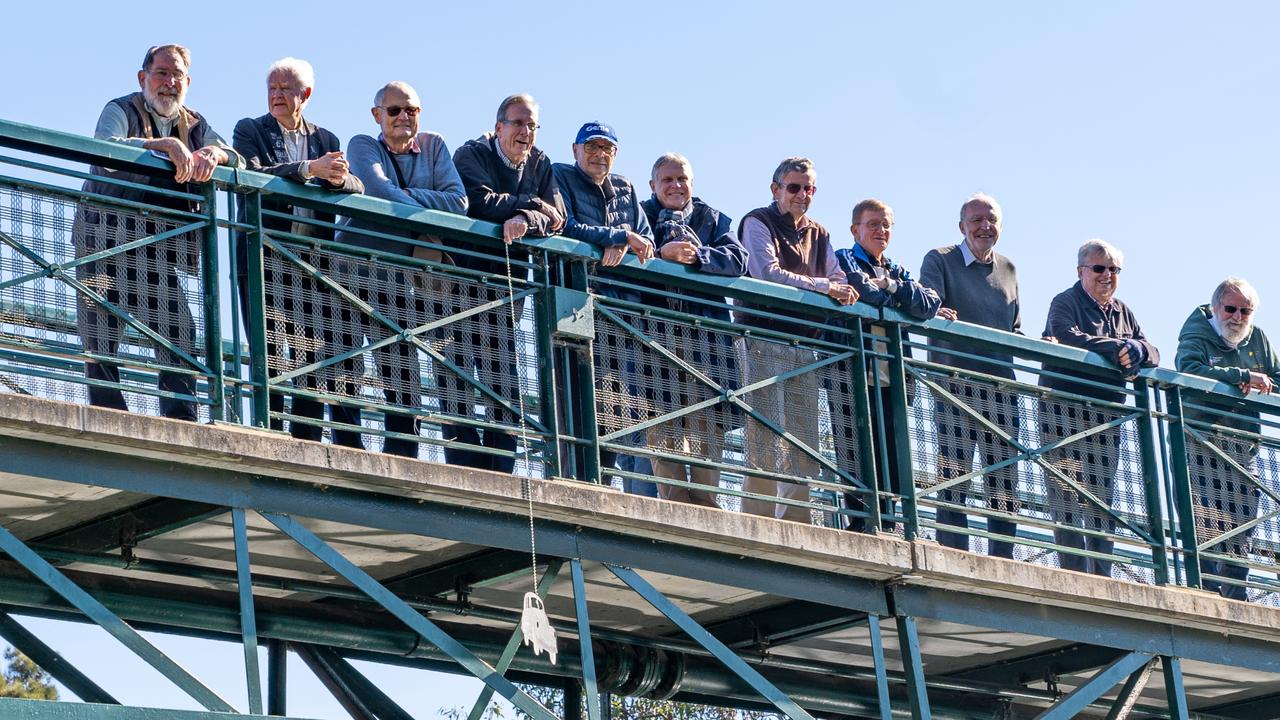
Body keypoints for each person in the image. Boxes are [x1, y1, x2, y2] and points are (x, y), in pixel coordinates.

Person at [76, 44, 243, 421]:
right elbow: (105, 150)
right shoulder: (121, 108)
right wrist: (162, 145)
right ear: (143, 78)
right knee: (100, 335)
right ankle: (109, 418)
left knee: (181, 333)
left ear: (188, 82)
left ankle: (181, 418)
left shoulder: (196, 123)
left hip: (157, 250)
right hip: (103, 240)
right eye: (162, 73)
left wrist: (213, 155)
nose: (169, 83)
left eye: (177, 76)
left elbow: (236, 158)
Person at [232, 57, 364, 447]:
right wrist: (309, 169)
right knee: (269, 351)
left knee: (309, 356)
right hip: (264, 258)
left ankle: (305, 440)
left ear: (305, 95)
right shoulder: (251, 129)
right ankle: (271, 437)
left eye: (286, 89)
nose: (277, 95)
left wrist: (338, 180)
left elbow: (355, 185)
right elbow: (254, 174)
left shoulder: (326, 139)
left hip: (312, 265)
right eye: (272, 88)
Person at [337, 81, 468, 457]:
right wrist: (424, 203)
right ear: (378, 115)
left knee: (402, 371)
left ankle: (403, 453)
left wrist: (407, 197)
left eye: (411, 110)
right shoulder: (363, 144)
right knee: (347, 364)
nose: (403, 117)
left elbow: (459, 202)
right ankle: (349, 448)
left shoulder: (434, 146)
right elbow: (377, 191)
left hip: (400, 280)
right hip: (352, 271)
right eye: (394, 110)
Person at [735, 157, 858, 522]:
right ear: (776, 190)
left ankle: (796, 524)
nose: (802, 194)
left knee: (804, 443)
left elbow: (840, 278)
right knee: (764, 436)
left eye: (809, 188)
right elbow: (768, 274)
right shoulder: (757, 220)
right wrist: (823, 287)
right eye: (794, 187)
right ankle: (755, 523)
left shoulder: (819, 232)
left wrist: (831, 286)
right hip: (761, 336)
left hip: (804, 344)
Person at [449, 94, 565, 473]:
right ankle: (465, 468)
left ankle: (500, 469)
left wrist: (525, 218)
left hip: (509, 289)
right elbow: (479, 202)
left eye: (532, 125)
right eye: (518, 124)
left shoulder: (541, 161)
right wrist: (532, 204)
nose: (525, 132)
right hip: (461, 284)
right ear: (499, 126)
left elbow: (558, 217)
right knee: (457, 374)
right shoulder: (471, 154)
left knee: (505, 385)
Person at [1039, 239, 1158, 576]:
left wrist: (1134, 348)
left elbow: (1153, 350)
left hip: (1106, 417)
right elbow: (1067, 335)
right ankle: (1075, 572)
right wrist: (1119, 348)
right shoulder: (1065, 301)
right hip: (1062, 411)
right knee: (1065, 495)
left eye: (1113, 269)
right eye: (1099, 268)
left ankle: (1101, 573)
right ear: (1081, 271)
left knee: (1101, 499)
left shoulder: (1123, 311)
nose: (1107, 275)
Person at [639, 153, 747, 508]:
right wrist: (660, 252)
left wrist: (698, 256)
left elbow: (738, 259)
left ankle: (705, 501)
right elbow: (629, 252)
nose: (676, 186)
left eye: (682, 179)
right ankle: (673, 501)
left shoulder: (711, 219)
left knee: (707, 421)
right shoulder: (640, 215)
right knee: (662, 418)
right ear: (653, 185)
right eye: (667, 180)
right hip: (654, 337)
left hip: (705, 340)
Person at [919, 193, 1022, 558]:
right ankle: (952, 554)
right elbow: (926, 305)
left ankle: (1003, 557)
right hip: (954, 387)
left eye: (991, 219)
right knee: (954, 476)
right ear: (962, 226)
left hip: (1001, 390)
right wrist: (937, 312)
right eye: (976, 220)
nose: (984, 226)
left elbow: (1014, 329)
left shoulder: (1008, 269)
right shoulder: (940, 259)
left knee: (1005, 479)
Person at [552, 122, 655, 488]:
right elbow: (563, 226)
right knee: (574, 395)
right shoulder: (559, 175)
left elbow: (647, 240)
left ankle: (602, 482)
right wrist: (615, 236)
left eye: (607, 148)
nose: (599, 154)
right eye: (592, 147)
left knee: (611, 406)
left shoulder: (625, 188)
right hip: (573, 303)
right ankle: (575, 481)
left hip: (621, 312)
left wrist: (626, 241)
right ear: (575, 149)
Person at [835, 199, 946, 532]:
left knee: (893, 455)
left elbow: (929, 302)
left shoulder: (895, 270)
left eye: (886, 225)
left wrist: (893, 287)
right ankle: (860, 524)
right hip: (853, 372)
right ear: (856, 229)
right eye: (873, 224)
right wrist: (898, 297)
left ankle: (890, 523)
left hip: (891, 378)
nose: (880, 231)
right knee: (855, 450)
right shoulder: (842, 257)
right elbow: (862, 290)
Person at [1175, 277, 1280, 600]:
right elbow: (1188, 368)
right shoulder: (1198, 332)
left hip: (1242, 445)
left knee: (1242, 520)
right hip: (1200, 441)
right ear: (1217, 307)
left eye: (1245, 311)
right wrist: (1242, 377)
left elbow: (1276, 377)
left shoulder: (1258, 339)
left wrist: (1265, 384)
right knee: (1203, 518)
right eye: (1231, 309)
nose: (1237, 317)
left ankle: (1236, 595)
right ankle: (1204, 591)